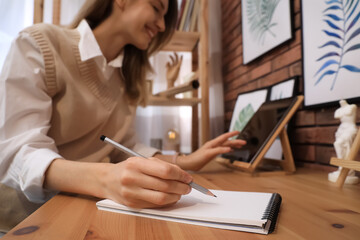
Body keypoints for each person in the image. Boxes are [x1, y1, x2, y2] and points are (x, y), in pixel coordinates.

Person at [0, 0, 245, 231]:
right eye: (156, 7)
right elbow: (18, 152)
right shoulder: (40, 43)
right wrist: (104, 179)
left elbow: (125, 147)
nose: (161, 25)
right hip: (28, 219)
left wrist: (186, 161)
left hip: (90, 211)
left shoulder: (127, 79)